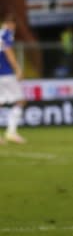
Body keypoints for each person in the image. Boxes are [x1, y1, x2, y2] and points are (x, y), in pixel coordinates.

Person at [0, 14, 27, 144]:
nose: (13, 28)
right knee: (21, 100)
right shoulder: (6, 34)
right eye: (13, 25)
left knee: (1, 101)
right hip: (6, 73)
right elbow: (8, 51)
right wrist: (17, 68)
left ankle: (10, 132)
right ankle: (11, 132)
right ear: (10, 24)